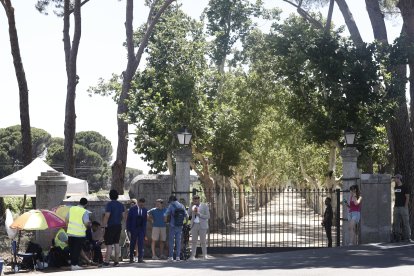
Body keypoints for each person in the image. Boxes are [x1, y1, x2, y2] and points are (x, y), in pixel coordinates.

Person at [102, 189, 126, 267]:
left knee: (109, 244)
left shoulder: (109, 204)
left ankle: (106, 262)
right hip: (118, 226)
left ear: (110, 196)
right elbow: (123, 216)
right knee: (116, 243)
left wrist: (103, 225)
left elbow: (107, 216)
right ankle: (116, 261)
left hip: (110, 226)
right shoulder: (121, 205)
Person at [65, 197, 90, 270]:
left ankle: (73, 264)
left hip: (70, 233)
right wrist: (88, 226)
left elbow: (66, 219)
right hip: (79, 234)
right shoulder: (84, 211)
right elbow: (86, 222)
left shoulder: (72, 209)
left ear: (79, 202)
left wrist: (68, 227)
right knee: (77, 249)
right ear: (86, 204)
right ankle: (74, 265)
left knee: (72, 249)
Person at [164, 195, 188, 262]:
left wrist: (166, 222)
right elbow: (187, 216)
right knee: (178, 241)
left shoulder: (171, 206)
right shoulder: (182, 206)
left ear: (172, 200)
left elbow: (165, 214)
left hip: (172, 226)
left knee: (171, 241)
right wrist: (185, 223)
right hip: (180, 226)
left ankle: (171, 257)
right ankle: (178, 257)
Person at [188, 195, 210, 260]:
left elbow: (208, 216)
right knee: (193, 241)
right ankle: (192, 256)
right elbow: (189, 214)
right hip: (194, 225)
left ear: (199, 199)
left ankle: (205, 255)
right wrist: (190, 206)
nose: (195, 200)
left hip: (202, 225)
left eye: (196, 199)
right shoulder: (192, 206)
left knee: (203, 241)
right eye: (194, 199)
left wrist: (199, 214)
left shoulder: (204, 206)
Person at [126, 198, 147, 263]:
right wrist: (128, 229)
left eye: (143, 204)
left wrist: (144, 232)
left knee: (141, 243)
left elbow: (145, 221)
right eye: (141, 204)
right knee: (132, 243)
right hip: (133, 229)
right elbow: (128, 219)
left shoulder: (144, 210)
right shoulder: (132, 209)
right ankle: (131, 258)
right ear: (138, 202)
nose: (142, 205)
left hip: (141, 229)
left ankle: (140, 258)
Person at [393, 174, 411, 242]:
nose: (394, 179)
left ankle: (408, 237)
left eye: (395, 178)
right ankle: (397, 237)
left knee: (406, 222)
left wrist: (405, 206)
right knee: (396, 223)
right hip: (396, 207)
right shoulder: (395, 188)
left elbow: (407, 197)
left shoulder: (405, 187)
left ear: (399, 178)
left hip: (403, 207)